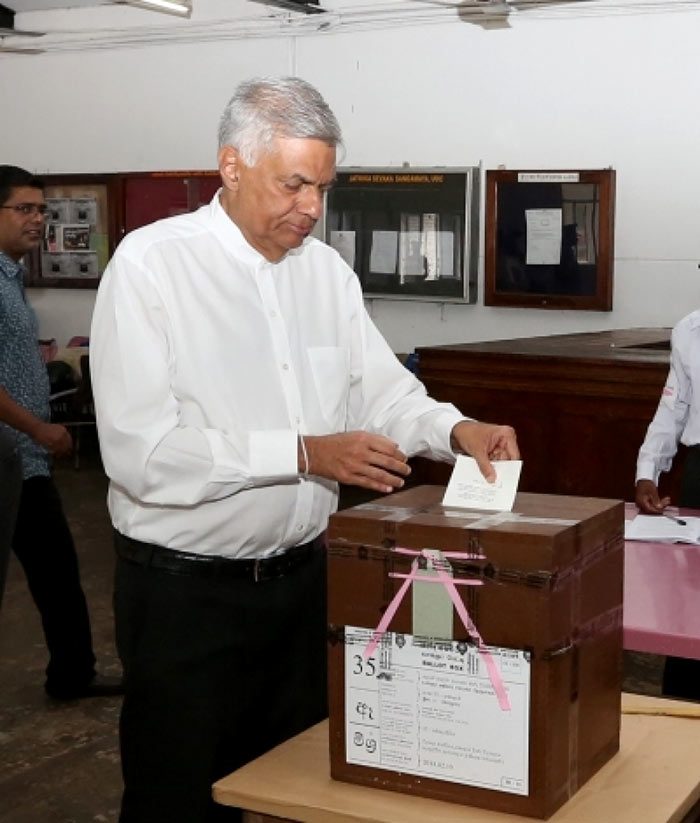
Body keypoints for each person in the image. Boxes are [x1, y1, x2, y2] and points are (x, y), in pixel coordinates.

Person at [89, 76, 520, 823]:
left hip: (298, 587)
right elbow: (142, 454)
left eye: (323, 186)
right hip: (185, 598)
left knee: (296, 790)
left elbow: (383, 394)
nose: (313, 209)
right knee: (180, 795)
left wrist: (454, 431)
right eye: (294, 184)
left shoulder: (326, 274)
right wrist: (301, 453)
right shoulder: (152, 266)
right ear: (231, 165)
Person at [0, 165, 123, 700]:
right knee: (55, 574)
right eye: (24, 209)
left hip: (26, 461)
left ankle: (72, 674)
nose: (38, 220)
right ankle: (72, 672)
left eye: (41, 210)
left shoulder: (10, 277)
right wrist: (39, 429)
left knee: (57, 575)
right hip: (10, 457)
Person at [635, 308, 700, 700]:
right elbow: (672, 408)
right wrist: (648, 471)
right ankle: (684, 702)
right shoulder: (690, 330)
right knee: (691, 598)